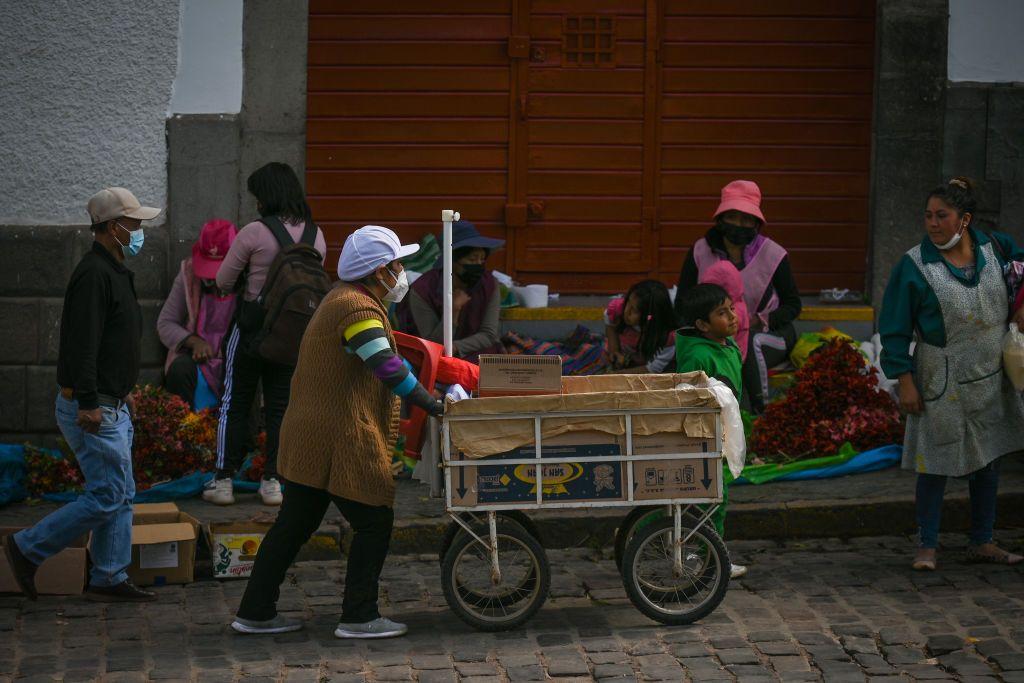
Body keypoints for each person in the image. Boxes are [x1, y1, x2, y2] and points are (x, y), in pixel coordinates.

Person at [231, 225, 443, 639]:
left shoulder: (344, 299)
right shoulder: (356, 309)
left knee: (293, 526)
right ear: (378, 271)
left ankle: (255, 610)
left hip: (311, 434)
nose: (402, 272)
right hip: (336, 437)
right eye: (397, 264)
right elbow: (385, 366)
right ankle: (359, 615)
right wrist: (431, 404)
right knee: (373, 522)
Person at [3, 187, 161, 603]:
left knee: (121, 493)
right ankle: (27, 547)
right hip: (93, 406)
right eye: (135, 223)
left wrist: (117, 395)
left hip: (110, 403)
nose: (141, 230)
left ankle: (109, 575)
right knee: (108, 494)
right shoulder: (94, 274)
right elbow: (81, 345)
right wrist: (90, 401)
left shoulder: (113, 269)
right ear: (113, 227)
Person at [880, 177, 1024, 571]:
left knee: (988, 457)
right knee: (935, 460)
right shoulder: (914, 266)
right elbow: (893, 329)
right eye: (928, 215)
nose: (932, 223)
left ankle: (983, 540)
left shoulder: (995, 249)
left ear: (965, 220)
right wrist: (904, 380)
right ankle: (927, 544)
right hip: (939, 376)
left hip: (991, 371)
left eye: (942, 215)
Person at [204, 162, 327, 507]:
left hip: (251, 329)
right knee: (281, 407)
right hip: (292, 332)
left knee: (234, 402)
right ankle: (273, 481)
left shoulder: (253, 233)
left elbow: (224, 282)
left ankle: (223, 479)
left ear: (266, 196)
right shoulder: (316, 235)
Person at [675, 180, 801, 413]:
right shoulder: (700, 251)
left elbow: (793, 305)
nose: (739, 225)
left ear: (756, 223)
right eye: (732, 217)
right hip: (714, 335)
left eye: (746, 219)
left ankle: (761, 413)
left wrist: (758, 321)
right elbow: (683, 302)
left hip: (769, 334)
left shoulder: (773, 254)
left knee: (751, 342)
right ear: (721, 219)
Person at [675, 283, 745, 579]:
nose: (732, 316)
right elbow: (686, 399)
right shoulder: (697, 356)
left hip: (721, 435)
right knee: (709, 500)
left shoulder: (728, 347)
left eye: (731, 308)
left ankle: (709, 555)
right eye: (721, 312)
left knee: (716, 498)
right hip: (702, 438)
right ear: (702, 325)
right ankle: (708, 559)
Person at [157, 219, 238, 410]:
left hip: (233, 360)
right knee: (180, 370)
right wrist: (194, 342)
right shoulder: (189, 274)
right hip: (197, 364)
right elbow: (165, 323)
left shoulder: (250, 277)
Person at [397, 220, 504, 362]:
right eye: (472, 260)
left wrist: (455, 347)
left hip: (478, 355)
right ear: (452, 261)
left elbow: (489, 334)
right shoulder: (422, 290)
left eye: (482, 260)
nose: (478, 265)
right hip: (435, 359)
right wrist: (453, 312)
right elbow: (432, 342)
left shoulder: (489, 285)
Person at [604, 279, 677, 373]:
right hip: (626, 354)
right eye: (628, 302)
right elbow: (610, 324)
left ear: (650, 316)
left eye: (634, 310)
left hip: (646, 364)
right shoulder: (617, 309)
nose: (626, 311)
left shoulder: (667, 336)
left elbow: (653, 369)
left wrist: (617, 375)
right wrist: (614, 350)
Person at [699, 261, 750, 362]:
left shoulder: (735, 309)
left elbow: (723, 340)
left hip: (727, 359)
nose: (731, 316)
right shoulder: (738, 302)